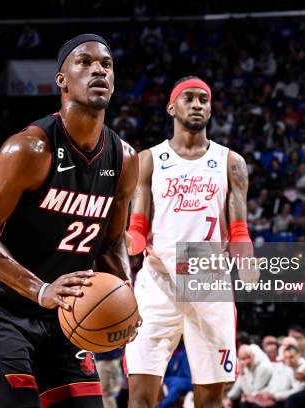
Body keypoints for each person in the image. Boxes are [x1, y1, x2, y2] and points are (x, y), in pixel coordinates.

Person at [0, 33, 139, 408]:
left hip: (65, 313)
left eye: (106, 64)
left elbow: (111, 241)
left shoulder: (124, 158)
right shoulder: (29, 148)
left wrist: (125, 292)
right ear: (62, 80)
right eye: (85, 63)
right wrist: (41, 289)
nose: (98, 70)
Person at [124, 76, 256, 407]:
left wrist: (246, 258)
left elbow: (239, 228)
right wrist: (130, 244)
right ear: (172, 107)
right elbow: (138, 222)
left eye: (203, 99)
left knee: (210, 399)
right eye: (189, 98)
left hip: (209, 282)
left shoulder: (230, 162)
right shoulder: (149, 159)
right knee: (140, 395)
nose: (197, 104)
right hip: (159, 281)